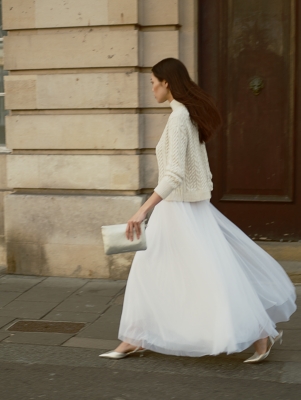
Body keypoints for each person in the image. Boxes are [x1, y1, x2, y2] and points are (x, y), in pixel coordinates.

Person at [99, 58, 297, 363]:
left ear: (166, 82)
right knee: (160, 272)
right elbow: (200, 171)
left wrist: (143, 210)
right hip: (182, 210)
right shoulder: (184, 115)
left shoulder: (179, 118)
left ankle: (260, 334)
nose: (151, 88)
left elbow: (174, 173)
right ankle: (134, 338)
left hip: (178, 211)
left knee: (205, 275)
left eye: (153, 82)